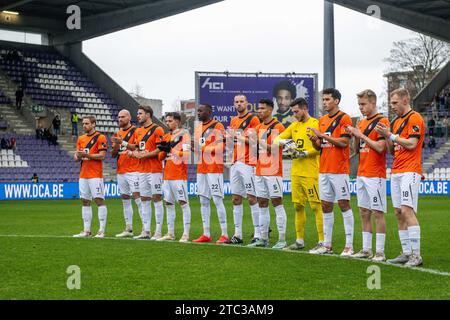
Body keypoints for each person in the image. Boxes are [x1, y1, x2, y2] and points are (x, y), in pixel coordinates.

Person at [375, 88, 425, 267]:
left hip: (410, 170)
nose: (392, 106)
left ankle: (416, 255)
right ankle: (405, 252)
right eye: (391, 103)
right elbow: (391, 150)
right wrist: (386, 136)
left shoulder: (415, 118)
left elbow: (412, 144)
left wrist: (391, 135)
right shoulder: (396, 122)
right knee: (398, 213)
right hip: (396, 170)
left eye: (395, 102)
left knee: (407, 211)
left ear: (405, 100)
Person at [308, 88, 355, 256]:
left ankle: (349, 245)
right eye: (323, 100)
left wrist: (322, 136)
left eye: (327, 99)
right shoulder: (321, 120)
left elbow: (344, 142)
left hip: (339, 169)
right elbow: (320, 146)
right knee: (326, 205)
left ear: (336, 101)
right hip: (324, 169)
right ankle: (327, 245)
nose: (324, 102)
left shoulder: (345, 118)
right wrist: (315, 140)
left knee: (343, 204)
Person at [274, 98, 324, 252]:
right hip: (296, 173)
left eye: (296, 111)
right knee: (297, 206)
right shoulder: (294, 126)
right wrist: (286, 143)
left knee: (316, 206)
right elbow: (276, 140)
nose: (294, 115)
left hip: (311, 172)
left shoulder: (315, 124)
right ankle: (299, 240)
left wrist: (304, 153)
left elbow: (320, 148)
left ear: (305, 108)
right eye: (293, 112)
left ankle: (322, 241)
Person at [345, 90, 388, 262]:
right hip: (362, 172)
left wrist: (361, 135)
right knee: (363, 212)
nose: (361, 108)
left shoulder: (382, 121)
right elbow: (356, 151)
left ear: (373, 103)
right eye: (359, 105)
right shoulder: (362, 123)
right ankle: (366, 249)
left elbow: (380, 147)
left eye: (363, 104)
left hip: (375, 174)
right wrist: (355, 136)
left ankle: (380, 251)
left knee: (378, 212)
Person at [247, 99, 287, 249]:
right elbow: (255, 149)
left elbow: (274, 149)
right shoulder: (258, 127)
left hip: (274, 171)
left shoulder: (278, 127)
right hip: (260, 170)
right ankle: (263, 238)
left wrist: (258, 140)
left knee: (277, 203)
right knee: (262, 203)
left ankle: (282, 239)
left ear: (270, 110)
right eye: (259, 108)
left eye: (263, 108)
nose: (260, 111)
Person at [225, 94, 261, 245]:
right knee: (235, 198)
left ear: (247, 103)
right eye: (236, 102)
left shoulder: (253, 119)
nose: (239, 104)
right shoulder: (233, 120)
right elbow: (230, 143)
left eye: (241, 101)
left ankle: (258, 233)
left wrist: (237, 137)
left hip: (248, 162)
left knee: (252, 198)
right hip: (235, 162)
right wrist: (227, 138)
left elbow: (256, 141)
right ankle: (237, 234)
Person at [192, 104, 229, 244]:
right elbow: (198, 150)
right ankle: (206, 233)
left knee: (217, 200)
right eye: (198, 111)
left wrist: (202, 148)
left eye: (201, 111)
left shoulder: (218, 126)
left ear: (209, 111)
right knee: (203, 201)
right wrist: (193, 148)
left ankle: (224, 234)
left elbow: (221, 147)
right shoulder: (197, 129)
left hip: (214, 167)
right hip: (201, 168)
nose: (198, 113)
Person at [128, 105, 165, 240]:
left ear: (148, 114)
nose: (137, 116)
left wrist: (144, 155)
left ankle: (158, 231)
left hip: (154, 170)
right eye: (137, 113)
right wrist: (133, 153)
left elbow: (160, 149)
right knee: (144, 199)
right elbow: (138, 149)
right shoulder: (138, 131)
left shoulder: (157, 129)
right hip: (141, 170)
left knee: (156, 198)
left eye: (140, 113)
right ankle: (146, 231)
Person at [157, 112, 192, 242]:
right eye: (166, 121)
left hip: (179, 175)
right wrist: (163, 150)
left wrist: (172, 149)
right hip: (167, 176)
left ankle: (186, 234)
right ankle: (170, 233)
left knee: (183, 203)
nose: (167, 123)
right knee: (168, 203)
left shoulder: (184, 135)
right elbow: (160, 157)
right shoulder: (167, 136)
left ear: (177, 121)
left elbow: (186, 155)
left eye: (170, 121)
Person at [73, 116, 108, 238]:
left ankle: (101, 230)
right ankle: (86, 231)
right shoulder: (81, 138)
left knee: (99, 200)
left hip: (95, 175)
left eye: (87, 123)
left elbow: (102, 156)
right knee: (85, 201)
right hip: (83, 174)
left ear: (93, 124)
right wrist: (77, 156)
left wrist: (87, 155)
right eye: (83, 124)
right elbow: (76, 157)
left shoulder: (100, 137)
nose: (84, 126)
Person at [111, 109, 143, 238]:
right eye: (119, 117)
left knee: (138, 198)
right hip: (121, 170)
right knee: (125, 199)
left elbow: (137, 148)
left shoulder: (137, 131)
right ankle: (128, 228)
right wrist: (116, 146)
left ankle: (145, 229)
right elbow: (113, 154)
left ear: (129, 118)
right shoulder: (118, 133)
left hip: (134, 169)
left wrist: (122, 142)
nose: (120, 119)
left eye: (123, 117)